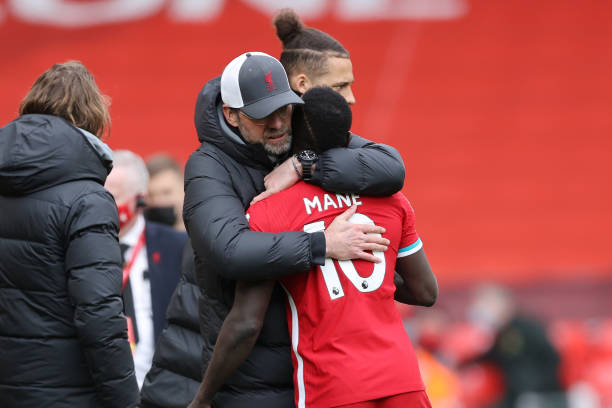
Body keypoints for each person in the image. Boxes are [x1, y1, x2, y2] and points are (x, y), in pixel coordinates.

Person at [141, 51, 405, 408]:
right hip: (248, 371)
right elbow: (231, 251)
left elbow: (390, 167)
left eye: (284, 109)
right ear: (231, 115)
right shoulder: (207, 167)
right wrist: (321, 244)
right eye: (263, 115)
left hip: (313, 364)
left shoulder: (298, 136)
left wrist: (304, 164)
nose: (279, 123)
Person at [189, 86, 437, 408]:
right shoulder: (392, 200)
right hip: (402, 378)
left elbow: (246, 324)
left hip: (332, 385)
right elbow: (425, 292)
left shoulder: (268, 211)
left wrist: (202, 398)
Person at [0, 61, 139, 407]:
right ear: (91, 120)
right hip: (66, 391)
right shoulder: (88, 200)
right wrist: (125, 401)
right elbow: (99, 313)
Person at [105, 149, 188, 389]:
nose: (106, 203)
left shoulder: (177, 246)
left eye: (115, 196)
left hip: (165, 389)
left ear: (139, 198)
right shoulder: (83, 248)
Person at [465, 284, 567, 408]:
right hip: (515, 396)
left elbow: (552, 357)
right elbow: (493, 357)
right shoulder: (502, 332)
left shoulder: (528, 326)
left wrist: (536, 390)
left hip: (540, 395)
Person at [145, 153, 186, 231]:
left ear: (184, 190)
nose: (158, 202)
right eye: (151, 195)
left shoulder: (205, 236)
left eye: (166, 193)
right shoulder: (136, 240)